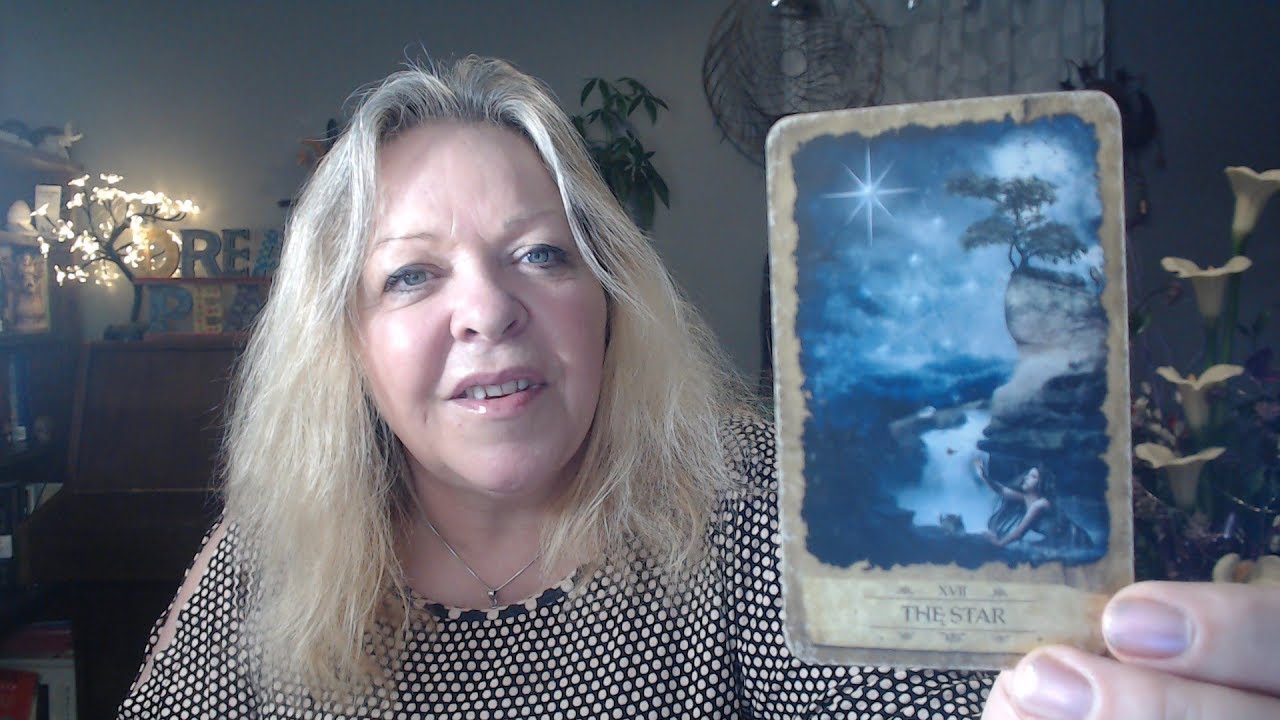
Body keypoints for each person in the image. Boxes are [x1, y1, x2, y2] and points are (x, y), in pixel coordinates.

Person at [119, 57, 1279, 720]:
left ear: (607, 299)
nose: (487, 309)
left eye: (540, 254)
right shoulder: (270, 553)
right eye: (411, 275)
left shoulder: (754, 500)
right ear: (343, 345)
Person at [972, 459, 1093, 550]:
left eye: (1033, 477)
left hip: (1075, 539)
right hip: (1059, 540)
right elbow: (1002, 491)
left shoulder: (1040, 504)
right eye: (1028, 475)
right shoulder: (1026, 498)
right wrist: (984, 476)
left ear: (1041, 483)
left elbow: (1020, 532)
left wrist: (999, 544)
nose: (1026, 478)